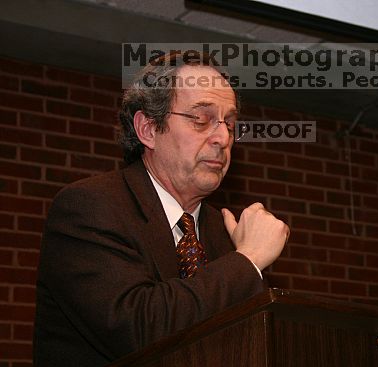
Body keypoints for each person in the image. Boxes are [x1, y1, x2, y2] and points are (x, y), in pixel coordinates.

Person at [33, 52, 289, 366]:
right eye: (201, 119)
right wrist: (248, 260)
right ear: (149, 129)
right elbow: (139, 330)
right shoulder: (90, 207)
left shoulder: (228, 235)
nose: (223, 137)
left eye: (230, 124)